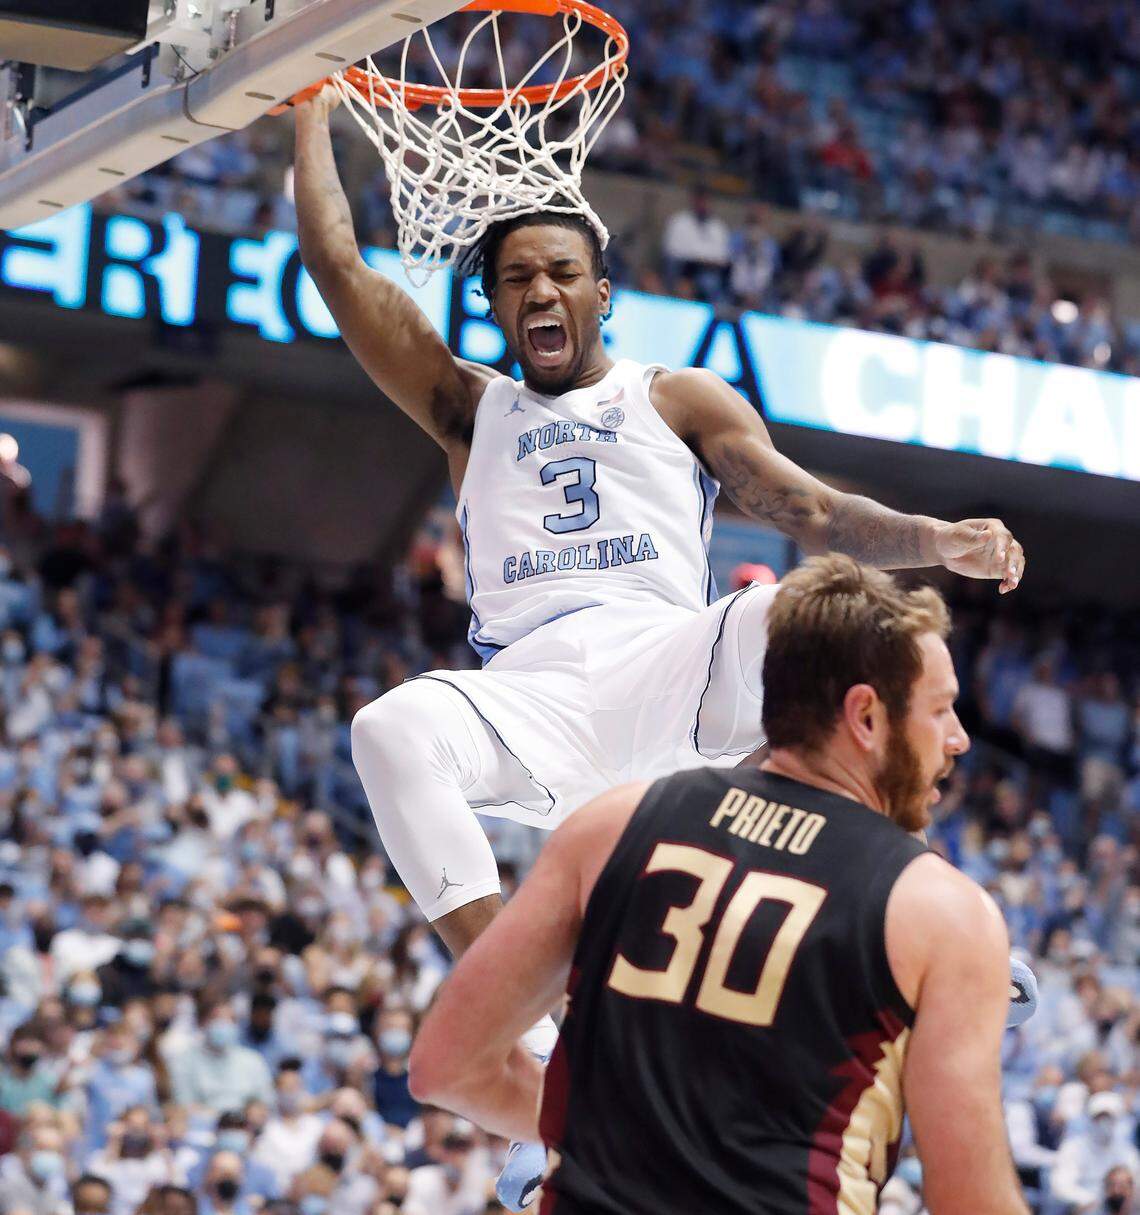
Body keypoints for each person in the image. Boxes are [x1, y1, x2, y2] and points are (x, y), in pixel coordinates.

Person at [295, 87, 1026, 1207]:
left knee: (809, 609)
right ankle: (544, 1019)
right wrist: (305, 109)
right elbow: (341, 270)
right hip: (529, 697)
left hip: (670, 669)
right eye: (516, 279)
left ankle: (909, 905)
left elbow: (810, 512)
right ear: (491, 301)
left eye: (560, 272)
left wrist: (940, 542)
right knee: (388, 729)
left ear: (601, 289)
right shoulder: (466, 409)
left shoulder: (673, 395)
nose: (539, 290)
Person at [410, 557, 1029, 1214]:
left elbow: (446, 1065)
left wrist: (601, 1134)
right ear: (866, 717)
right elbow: (973, 1199)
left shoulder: (614, 823)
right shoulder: (941, 912)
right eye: (939, 710)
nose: (959, 738)